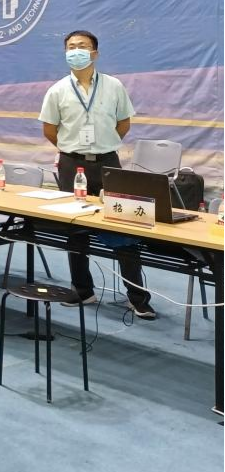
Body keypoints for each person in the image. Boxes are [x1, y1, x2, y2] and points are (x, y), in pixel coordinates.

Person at [39, 30, 155, 318]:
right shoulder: (57, 90)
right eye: (71, 47)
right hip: (71, 164)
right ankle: (82, 290)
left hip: (108, 163)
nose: (76, 51)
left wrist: (102, 147)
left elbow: (123, 124)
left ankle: (137, 297)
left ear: (95, 53)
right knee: (75, 229)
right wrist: (73, 150)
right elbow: (50, 129)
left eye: (82, 46)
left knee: (124, 227)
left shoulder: (114, 86)